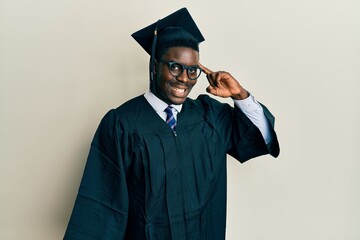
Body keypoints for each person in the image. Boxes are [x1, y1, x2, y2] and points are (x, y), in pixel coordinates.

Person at [64, 7, 279, 240]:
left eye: (193, 70)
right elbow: (102, 207)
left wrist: (240, 95)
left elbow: (261, 138)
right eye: (175, 67)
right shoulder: (122, 124)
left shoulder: (209, 117)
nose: (184, 79)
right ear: (156, 66)